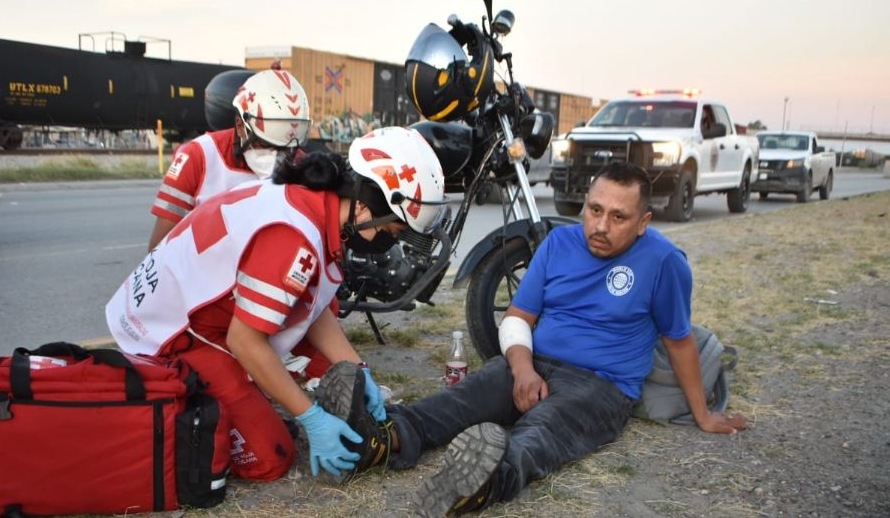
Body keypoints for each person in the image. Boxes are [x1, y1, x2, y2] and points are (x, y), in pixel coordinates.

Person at [317, 161, 750, 516]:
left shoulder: (664, 261)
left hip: (601, 385)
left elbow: (679, 340)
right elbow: (519, 317)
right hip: (532, 362)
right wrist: (522, 371)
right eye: (594, 210)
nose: (601, 226)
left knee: (542, 432)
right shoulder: (560, 243)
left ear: (643, 222)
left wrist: (704, 414)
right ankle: (378, 441)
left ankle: (483, 482)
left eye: (618, 217)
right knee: (460, 399)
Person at [105, 126, 449, 482]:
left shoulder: (316, 206)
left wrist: (361, 370)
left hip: (201, 309)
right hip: (171, 333)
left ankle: (242, 391)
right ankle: (188, 398)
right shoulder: (294, 237)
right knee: (270, 458)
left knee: (316, 369)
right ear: (364, 207)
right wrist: (309, 417)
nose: (389, 245)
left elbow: (313, 309)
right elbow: (244, 340)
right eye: (391, 232)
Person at [147, 68, 310, 251]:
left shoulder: (301, 165)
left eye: (284, 148)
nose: (276, 156)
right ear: (241, 127)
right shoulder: (198, 157)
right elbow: (159, 249)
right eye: (265, 145)